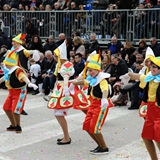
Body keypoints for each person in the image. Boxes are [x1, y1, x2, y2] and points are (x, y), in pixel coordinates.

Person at [47, 41, 87, 145]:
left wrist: (65, 90)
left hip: (67, 88)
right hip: (62, 88)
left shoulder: (66, 65)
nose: (55, 58)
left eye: (56, 56)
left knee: (59, 113)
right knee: (58, 113)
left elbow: (65, 77)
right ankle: (66, 136)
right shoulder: (62, 64)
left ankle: (66, 137)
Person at [74, 53, 112, 154]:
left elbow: (105, 90)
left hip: (100, 106)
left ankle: (104, 148)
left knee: (95, 128)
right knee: (87, 126)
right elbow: (84, 82)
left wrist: (104, 99)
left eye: (91, 70)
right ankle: (99, 145)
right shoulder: (92, 79)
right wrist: (70, 82)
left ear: (97, 70)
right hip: (92, 105)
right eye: (88, 70)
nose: (89, 72)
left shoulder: (102, 80)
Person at [128, 55, 160, 160]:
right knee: (146, 137)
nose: (152, 68)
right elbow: (140, 77)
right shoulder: (150, 77)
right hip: (150, 112)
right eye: (151, 66)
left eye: (155, 67)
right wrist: (130, 74)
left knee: (159, 139)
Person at [0, 51, 38, 133]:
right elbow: (5, 77)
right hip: (11, 92)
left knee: (15, 109)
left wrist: (29, 83)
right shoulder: (9, 70)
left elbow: (23, 76)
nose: (5, 64)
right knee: (6, 108)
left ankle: (18, 126)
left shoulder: (17, 70)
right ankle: (13, 125)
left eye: (6, 63)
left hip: (20, 91)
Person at [7, 33, 40, 115]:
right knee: (12, 90)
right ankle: (14, 106)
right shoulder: (12, 51)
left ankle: (20, 108)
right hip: (12, 72)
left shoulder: (23, 51)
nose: (13, 43)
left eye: (14, 41)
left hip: (20, 73)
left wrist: (35, 51)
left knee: (22, 91)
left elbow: (29, 52)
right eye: (12, 41)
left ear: (19, 42)